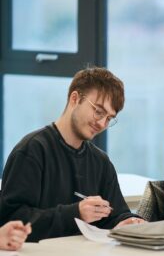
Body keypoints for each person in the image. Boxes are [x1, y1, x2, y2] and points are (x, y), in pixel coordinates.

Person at [0, 67, 144, 242]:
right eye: (98, 111)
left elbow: (116, 214)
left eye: (108, 118)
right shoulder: (32, 151)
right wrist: (76, 213)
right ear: (74, 99)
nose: (101, 123)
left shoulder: (101, 162)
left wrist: (127, 222)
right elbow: (12, 218)